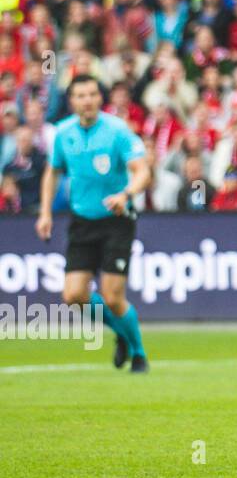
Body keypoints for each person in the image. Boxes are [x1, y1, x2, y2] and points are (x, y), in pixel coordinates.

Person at [35, 75, 152, 373]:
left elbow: (142, 171)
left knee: (113, 297)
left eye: (91, 94)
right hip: (82, 221)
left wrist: (126, 194)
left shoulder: (116, 131)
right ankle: (122, 334)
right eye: (80, 95)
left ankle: (138, 353)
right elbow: (53, 172)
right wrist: (45, 212)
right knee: (74, 296)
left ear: (100, 99)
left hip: (117, 219)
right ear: (71, 101)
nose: (86, 100)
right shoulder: (62, 133)